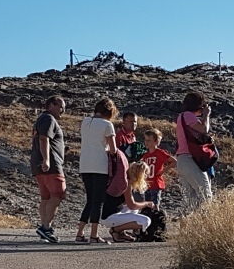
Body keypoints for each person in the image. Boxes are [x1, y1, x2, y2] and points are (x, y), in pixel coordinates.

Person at [76, 97, 119, 243]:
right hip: (100, 164)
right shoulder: (107, 125)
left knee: (90, 199)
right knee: (98, 201)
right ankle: (94, 235)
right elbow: (113, 149)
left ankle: (80, 233)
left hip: (85, 164)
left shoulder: (85, 122)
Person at [30, 95, 66, 243]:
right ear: (51, 105)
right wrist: (47, 159)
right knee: (58, 194)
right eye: (61, 107)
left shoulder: (41, 119)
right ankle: (46, 228)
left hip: (39, 165)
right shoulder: (48, 119)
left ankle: (45, 228)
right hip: (51, 166)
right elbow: (44, 138)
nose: (63, 110)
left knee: (46, 197)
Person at [174, 91, 216, 211]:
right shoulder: (188, 115)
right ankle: (205, 220)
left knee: (191, 199)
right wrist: (206, 115)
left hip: (183, 160)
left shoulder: (182, 117)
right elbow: (204, 129)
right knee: (205, 194)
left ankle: (190, 221)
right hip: (189, 159)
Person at [101, 163, 156, 241]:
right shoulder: (127, 183)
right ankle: (115, 230)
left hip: (111, 213)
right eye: (145, 174)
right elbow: (132, 205)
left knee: (135, 210)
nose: (146, 176)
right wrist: (147, 204)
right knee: (146, 221)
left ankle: (120, 232)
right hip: (110, 217)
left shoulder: (126, 181)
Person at [138, 127, 175, 208]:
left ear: (156, 142)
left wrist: (163, 171)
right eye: (145, 140)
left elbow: (174, 161)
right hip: (146, 184)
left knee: (154, 205)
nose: (146, 142)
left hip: (156, 183)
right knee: (146, 205)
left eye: (149, 140)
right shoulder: (145, 154)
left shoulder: (159, 153)